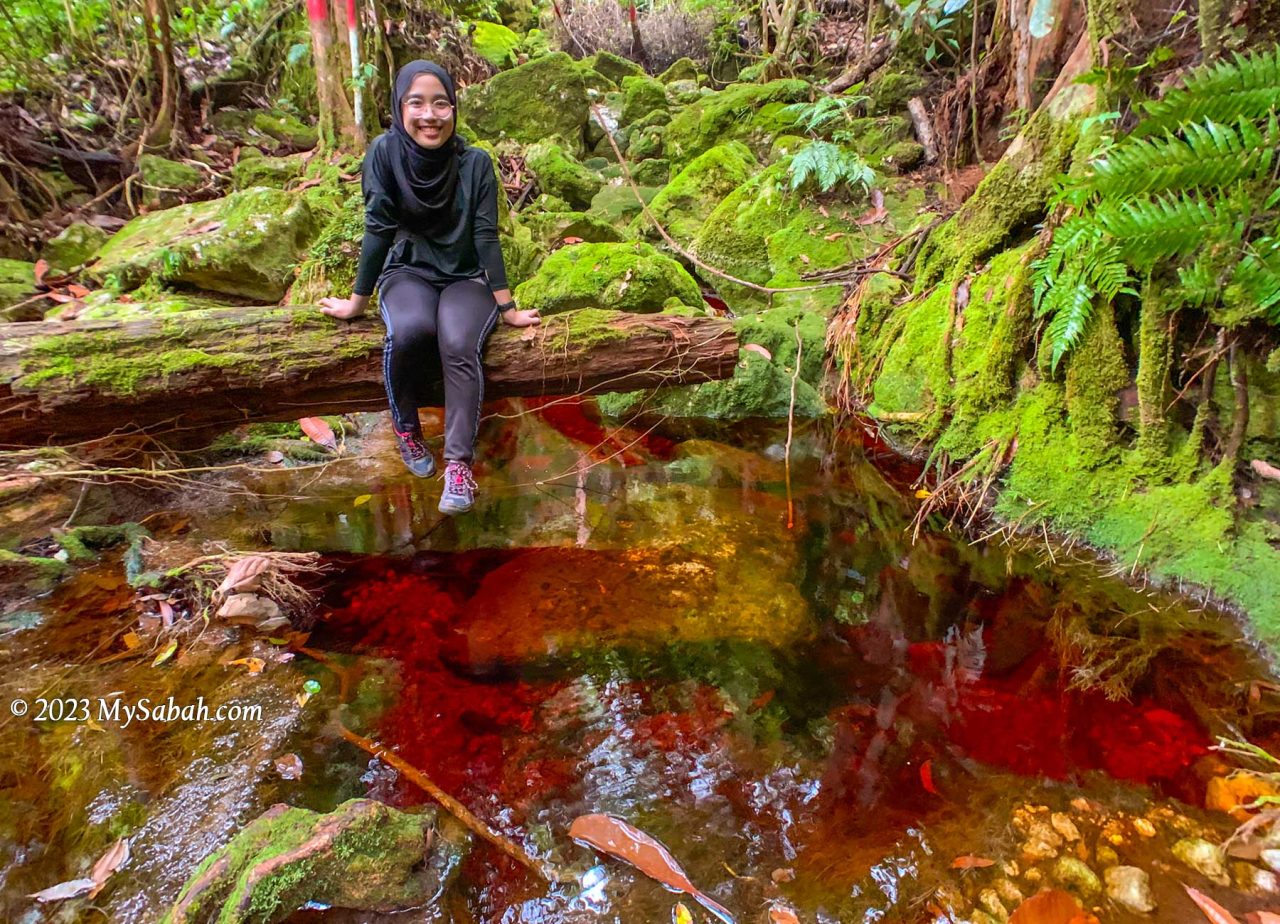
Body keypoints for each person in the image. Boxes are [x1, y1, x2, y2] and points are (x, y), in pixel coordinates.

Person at [319, 60, 540, 515]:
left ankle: (458, 465)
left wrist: (508, 308)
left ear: (454, 107)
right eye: (416, 103)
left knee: (458, 342)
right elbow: (378, 228)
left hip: (465, 277)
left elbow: (485, 236)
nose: (430, 115)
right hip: (409, 272)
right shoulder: (383, 154)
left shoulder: (475, 163)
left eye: (441, 103)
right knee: (412, 330)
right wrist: (357, 303)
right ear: (400, 108)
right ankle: (406, 427)